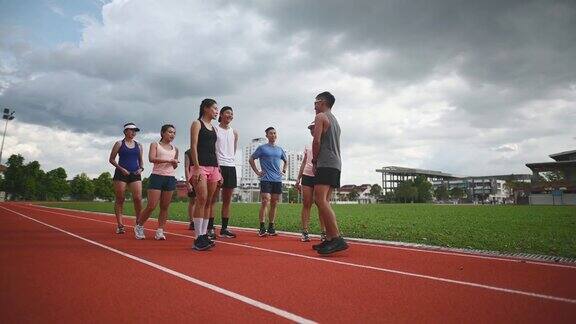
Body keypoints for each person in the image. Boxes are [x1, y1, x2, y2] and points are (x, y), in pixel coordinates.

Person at [311, 91, 349, 254]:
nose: (314, 106)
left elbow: (316, 140)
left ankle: (336, 238)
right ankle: (328, 239)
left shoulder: (321, 117)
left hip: (326, 162)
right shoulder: (336, 121)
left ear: (323, 102)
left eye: (316, 102)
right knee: (324, 200)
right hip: (336, 163)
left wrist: (314, 160)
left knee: (319, 200)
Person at [134, 124, 179, 240]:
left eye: (174, 132)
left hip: (170, 178)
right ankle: (139, 226)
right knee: (151, 205)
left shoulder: (175, 149)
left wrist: (174, 163)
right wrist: (169, 160)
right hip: (157, 177)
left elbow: (174, 167)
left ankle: (160, 231)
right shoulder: (155, 144)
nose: (172, 134)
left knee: (164, 207)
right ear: (163, 133)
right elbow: (151, 158)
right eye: (170, 132)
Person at [190, 98, 222, 251]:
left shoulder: (214, 128)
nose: (217, 111)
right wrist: (196, 167)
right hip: (200, 166)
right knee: (201, 199)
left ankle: (203, 235)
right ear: (205, 109)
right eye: (215, 108)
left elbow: (215, 150)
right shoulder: (197, 124)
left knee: (209, 201)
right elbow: (193, 146)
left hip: (214, 167)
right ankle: (197, 237)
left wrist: (219, 170)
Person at [249, 127, 287, 237]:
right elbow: (251, 159)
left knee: (274, 203)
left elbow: (285, 160)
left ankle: (271, 227)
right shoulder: (262, 148)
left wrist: (283, 170)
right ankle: (262, 227)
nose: (273, 135)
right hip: (265, 179)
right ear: (267, 135)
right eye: (271, 133)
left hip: (277, 179)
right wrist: (257, 171)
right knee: (266, 201)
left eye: (275, 133)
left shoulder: (280, 149)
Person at [208, 106, 239, 239]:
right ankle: (210, 228)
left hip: (231, 166)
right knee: (212, 199)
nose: (230, 115)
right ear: (221, 114)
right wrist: (216, 165)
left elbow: (233, 150)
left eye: (231, 114)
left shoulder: (235, 132)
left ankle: (224, 228)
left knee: (227, 200)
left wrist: (230, 161)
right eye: (227, 113)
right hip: (218, 166)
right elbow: (211, 149)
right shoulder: (214, 129)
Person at [108, 123, 144, 234]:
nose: (133, 132)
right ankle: (120, 224)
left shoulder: (139, 145)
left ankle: (138, 222)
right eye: (131, 130)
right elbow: (111, 159)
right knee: (120, 198)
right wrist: (121, 168)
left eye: (135, 131)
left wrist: (141, 168)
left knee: (138, 198)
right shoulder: (119, 144)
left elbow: (141, 160)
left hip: (135, 173)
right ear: (125, 131)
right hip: (121, 173)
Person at [295, 121, 326, 242]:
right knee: (306, 203)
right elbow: (304, 162)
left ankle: (323, 232)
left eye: (314, 128)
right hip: (307, 175)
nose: (312, 131)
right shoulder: (307, 145)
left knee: (321, 204)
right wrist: (298, 178)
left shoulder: (325, 142)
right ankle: (305, 232)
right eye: (310, 129)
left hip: (320, 175)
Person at [184, 148, 196, 230]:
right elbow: (186, 167)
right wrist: (188, 182)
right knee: (193, 200)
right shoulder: (188, 152)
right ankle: (192, 222)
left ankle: (201, 222)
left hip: (203, 177)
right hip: (192, 177)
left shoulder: (203, 150)